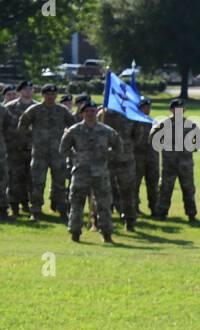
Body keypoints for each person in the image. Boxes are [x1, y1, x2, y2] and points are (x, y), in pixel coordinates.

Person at [60, 101, 121, 243]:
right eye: (87, 111)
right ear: (82, 113)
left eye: (93, 111)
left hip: (100, 173)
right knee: (76, 203)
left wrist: (107, 155)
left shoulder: (106, 130)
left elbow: (119, 147)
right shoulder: (74, 130)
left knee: (104, 204)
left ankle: (106, 233)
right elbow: (63, 149)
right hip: (81, 172)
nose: (90, 113)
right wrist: (76, 157)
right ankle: (75, 233)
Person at [18, 83, 75, 220]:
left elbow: (73, 127)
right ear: (43, 95)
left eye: (53, 94)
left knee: (60, 183)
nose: (51, 97)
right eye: (48, 94)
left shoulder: (62, 111)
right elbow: (22, 126)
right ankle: (36, 210)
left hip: (58, 153)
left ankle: (62, 209)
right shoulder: (35, 109)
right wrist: (29, 141)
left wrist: (68, 144)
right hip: (39, 153)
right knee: (38, 183)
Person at [151, 98, 200, 223]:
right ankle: (161, 213)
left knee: (188, 189)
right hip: (169, 163)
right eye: (176, 109)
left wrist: (192, 148)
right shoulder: (164, 124)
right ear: (171, 110)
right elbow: (152, 137)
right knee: (165, 189)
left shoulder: (190, 125)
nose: (179, 111)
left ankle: (191, 214)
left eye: (181, 108)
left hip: (186, 164)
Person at [100, 104, 138, 230]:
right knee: (103, 191)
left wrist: (126, 147)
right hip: (107, 160)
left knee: (127, 191)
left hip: (125, 160)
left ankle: (130, 220)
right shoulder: (103, 114)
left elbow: (137, 136)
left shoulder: (131, 116)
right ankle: (102, 221)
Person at [4, 82, 35, 217]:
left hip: (33, 149)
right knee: (15, 179)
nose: (28, 92)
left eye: (30, 89)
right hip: (14, 148)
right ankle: (14, 206)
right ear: (20, 91)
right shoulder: (9, 107)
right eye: (25, 89)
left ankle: (29, 205)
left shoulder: (37, 107)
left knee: (32, 179)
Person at [133, 98, 160, 217]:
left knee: (153, 184)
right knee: (135, 184)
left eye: (148, 107)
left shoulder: (154, 123)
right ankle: (134, 208)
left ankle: (154, 208)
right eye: (144, 107)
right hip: (137, 158)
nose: (147, 109)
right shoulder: (134, 122)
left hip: (152, 158)